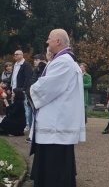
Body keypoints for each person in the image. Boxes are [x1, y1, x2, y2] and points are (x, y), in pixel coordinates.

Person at [29, 29, 85, 187]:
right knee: (57, 168)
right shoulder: (64, 60)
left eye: (49, 39)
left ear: (58, 41)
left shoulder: (63, 62)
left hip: (55, 127)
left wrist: (31, 90)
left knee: (54, 172)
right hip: (57, 125)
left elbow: (46, 88)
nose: (47, 42)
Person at [11, 50, 33, 131]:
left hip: (22, 90)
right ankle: (18, 123)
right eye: (14, 54)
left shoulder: (26, 65)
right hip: (15, 89)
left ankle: (27, 124)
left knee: (25, 107)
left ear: (22, 55)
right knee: (16, 107)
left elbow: (28, 78)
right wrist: (11, 87)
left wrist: (24, 89)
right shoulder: (15, 65)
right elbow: (13, 77)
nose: (15, 55)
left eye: (17, 54)